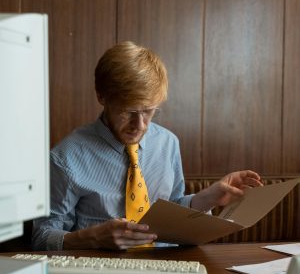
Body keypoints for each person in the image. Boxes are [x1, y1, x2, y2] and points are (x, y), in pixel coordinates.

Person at [32, 41, 263, 251]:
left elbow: (171, 210)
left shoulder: (168, 143)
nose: (140, 125)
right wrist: (91, 238)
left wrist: (209, 197)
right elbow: (41, 238)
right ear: (102, 97)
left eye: (149, 111)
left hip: (165, 270)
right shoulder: (65, 158)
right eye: (129, 112)